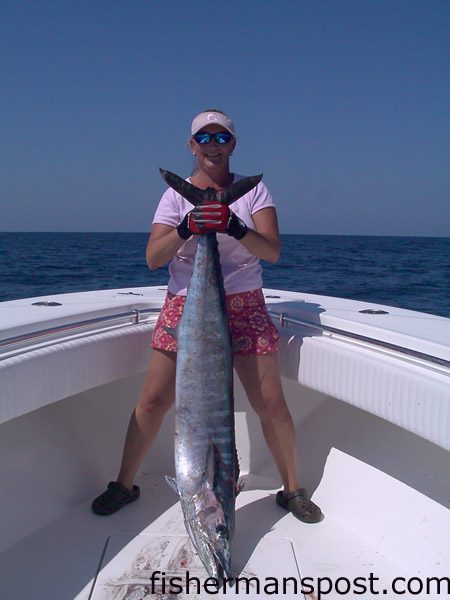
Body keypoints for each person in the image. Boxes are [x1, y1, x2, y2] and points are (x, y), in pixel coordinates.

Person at [92, 109, 323, 523]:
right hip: (187, 305)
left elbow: (271, 251)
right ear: (192, 145)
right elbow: (152, 258)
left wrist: (234, 226)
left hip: (245, 304)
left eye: (221, 138)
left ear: (232, 144)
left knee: (271, 404)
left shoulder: (254, 193)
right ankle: (123, 485)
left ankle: (292, 491)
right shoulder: (175, 196)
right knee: (153, 400)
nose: (213, 146)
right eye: (204, 138)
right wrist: (186, 228)